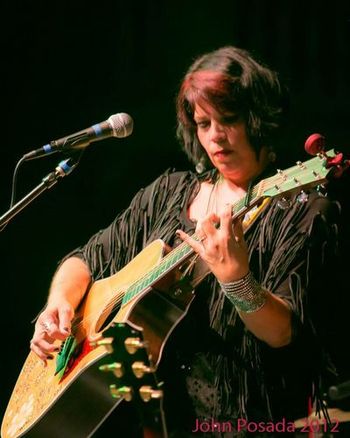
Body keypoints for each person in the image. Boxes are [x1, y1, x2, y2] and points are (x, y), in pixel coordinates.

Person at [29, 46, 344, 437]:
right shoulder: (167, 193)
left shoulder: (301, 210)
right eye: (202, 123)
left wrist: (237, 280)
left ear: (258, 119)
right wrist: (57, 305)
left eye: (228, 119)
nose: (215, 137)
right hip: (152, 423)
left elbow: (284, 332)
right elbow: (85, 258)